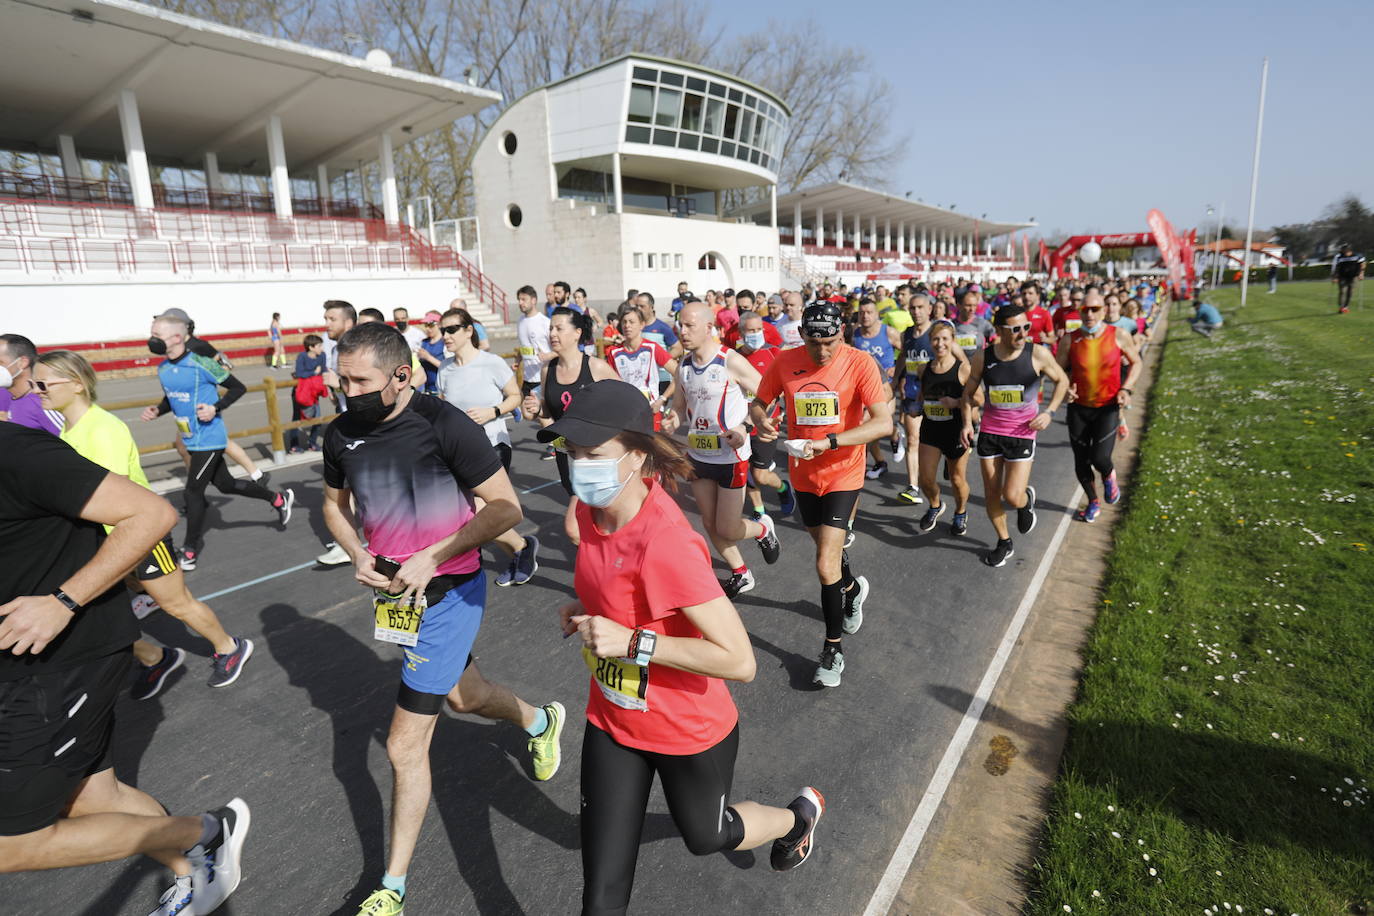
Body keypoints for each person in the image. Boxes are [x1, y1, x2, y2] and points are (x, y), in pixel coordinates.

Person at [538, 380, 825, 915]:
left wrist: (631, 641)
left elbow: (740, 662)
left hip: (686, 730)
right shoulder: (585, 514)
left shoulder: (666, 543)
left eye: (592, 455)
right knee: (600, 896)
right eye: (570, 453)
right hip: (613, 721)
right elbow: (608, 585)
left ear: (637, 455)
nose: (579, 467)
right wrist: (585, 612)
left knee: (706, 835)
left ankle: (797, 818)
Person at [321, 321, 565, 916]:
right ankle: (537, 721)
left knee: (404, 744)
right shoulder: (340, 435)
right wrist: (357, 552)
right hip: (398, 597)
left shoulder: (442, 424)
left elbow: (506, 505)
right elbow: (333, 506)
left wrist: (433, 556)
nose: (347, 390)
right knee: (464, 695)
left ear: (401, 375)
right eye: (341, 378)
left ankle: (391, 887)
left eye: (360, 380)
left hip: (450, 589)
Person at [0, 422, 249, 916]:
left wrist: (62, 601)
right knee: (93, 796)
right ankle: (191, 869)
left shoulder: (16, 451)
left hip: (59, 667)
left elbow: (150, 512)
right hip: (24, 670)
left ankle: (208, 833)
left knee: (9, 844)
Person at [36, 351, 255, 699]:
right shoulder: (70, 426)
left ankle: (230, 647)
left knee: (176, 603)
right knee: (91, 613)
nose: (37, 390)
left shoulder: (103, 429)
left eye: (43, 383)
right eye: (34, 383)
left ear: (77, 384)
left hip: (139, 536)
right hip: (108, 540)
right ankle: (155, 656)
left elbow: (115, 495)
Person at [750, 302, 892, 687]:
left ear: (841, 334)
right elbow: (758, 404)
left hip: (844, 473)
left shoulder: (859, 363)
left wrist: (831, 441)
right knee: (827, 555)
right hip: (803, 474)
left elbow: (882, 422)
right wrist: (762, 422)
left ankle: (832, 651)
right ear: (803, 337)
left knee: (824, 564)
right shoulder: (784, 361)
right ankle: (852, 589)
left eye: (829, 342)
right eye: (814, 343)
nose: (822, 351)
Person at [141, 314, 293, 570]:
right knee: (225, 484)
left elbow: (238, 387)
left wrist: (215, 407)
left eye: (157, 335)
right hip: (191, 438)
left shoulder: (201, 363)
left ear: (177, 337)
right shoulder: (163, 368)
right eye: (152, 333)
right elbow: (173, 398)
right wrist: (158, 410)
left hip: (210, 437)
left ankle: (189, 551)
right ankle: (277, 499)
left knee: (193, 492)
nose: (151, 339)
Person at [665, 303, 781, 598]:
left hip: (731, 457)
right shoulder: (684, 367)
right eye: (681, 325)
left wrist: (744, 427)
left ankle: (763, 530)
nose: (683, 331)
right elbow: (679, 407)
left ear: (708, 328)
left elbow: (765, 395)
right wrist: (671, 420)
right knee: (708, 522)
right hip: (699, 455)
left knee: (727, 527)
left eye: (690, 326)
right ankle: (741, 573)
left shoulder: (729, 361)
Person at [436, 306, 540, 588]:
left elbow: (515, 396)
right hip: (457, 450)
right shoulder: (444, 369)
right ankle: (519, 550)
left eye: (451, 329)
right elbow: (444, 408)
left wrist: (492, 411)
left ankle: (520, 548)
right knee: (469, 513)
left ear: (469, 331)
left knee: (482, 511)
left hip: (492, 444)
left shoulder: (491, 362)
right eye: (442, 330)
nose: (445, 335)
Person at [960, 304, 1070, 568]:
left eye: (1026, 327)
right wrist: (966, 423)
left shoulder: (1038, 354)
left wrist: (1050, 412)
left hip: (1023, 432)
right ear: (998, 331)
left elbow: (1062, 381)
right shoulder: (983, 358)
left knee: (1011, 495)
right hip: (990, 432)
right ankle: (1004, 541)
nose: (1023, 333)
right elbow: (968, 393)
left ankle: (1024, 501)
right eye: (1016, 329)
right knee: (991, 493)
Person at [521, 308, 619, 544]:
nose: (552, 333)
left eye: (559, 328)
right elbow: (548, 410)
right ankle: (609, 569)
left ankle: (610, 570)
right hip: (567, 458)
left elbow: (627, 403)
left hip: (598, 459)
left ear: (576, 333)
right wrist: (535, 410)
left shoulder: (595, 368)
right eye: (551, 328)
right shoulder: (548, 369)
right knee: (598, 526)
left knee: (574, 529)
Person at [1056, 292, 1142, 523]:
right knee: (1081, 460)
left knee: (1100, 457)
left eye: (1095, 309)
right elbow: (1057, 371)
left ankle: (1108, 474)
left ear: (1104, 310)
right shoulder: (1070, 339)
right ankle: (1093, 501)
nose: (1090, 314)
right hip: (1079, 408)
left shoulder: (1119, 335)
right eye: (1085, 309)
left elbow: (1137, 362)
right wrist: (1065, 387)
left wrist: (1127, 389)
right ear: (1080, 311)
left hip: (1107, 407)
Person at [734, 312, 797, 520]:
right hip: (738, 424)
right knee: (746, 470)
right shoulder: (733, 358)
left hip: (767, 424)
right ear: (742, 333)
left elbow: (781, 390)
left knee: (760, 473)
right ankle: (759, 509)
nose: (755, 334)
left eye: (758, 330)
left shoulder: (774, 354)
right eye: (750, 331)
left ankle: (782, 487)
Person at [913, 322, 972, 534]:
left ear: (952, 341)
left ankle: (961, 511)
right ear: (930, 342)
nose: (940, 344)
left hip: (956, 430)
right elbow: (923, 394)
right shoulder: (923, 369)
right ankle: (936, 505)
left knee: (957, 480)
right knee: (925, 479)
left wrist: (956, 403)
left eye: (945, 339)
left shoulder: (963, 369)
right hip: (931, 429)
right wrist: (917, 406)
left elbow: (979, 399)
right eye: (936, 339)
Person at [851, 298, 902, 479]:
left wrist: (897, 367)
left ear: (877, 314)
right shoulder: (855, 335)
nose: (865, 316)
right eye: (861, 312)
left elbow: (905, 351)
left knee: (882, 425)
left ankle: (895, 436)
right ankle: (880, 462)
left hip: (885, 386)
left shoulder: (888, 332)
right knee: (869, 429)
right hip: (863, 389)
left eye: (869, 312)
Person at [605, 302, 677, 427]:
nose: (627, 326)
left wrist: (662, 399)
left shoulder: (652, 348)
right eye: (624, 322)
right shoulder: (614, 353)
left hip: (650, 413)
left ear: (642, 325)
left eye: (632, 322)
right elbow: (609, 385)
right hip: (626, 415)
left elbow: (679, 374)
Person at [0, 333, 63, 434]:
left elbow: (75, 440)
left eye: (0, 362)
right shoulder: (15, 397)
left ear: (22, 363)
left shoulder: (42, 402)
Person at [288, 334, 327, 452]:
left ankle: (312, 443)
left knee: (318, 418)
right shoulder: (302, 357)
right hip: (300, 392)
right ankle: (294, 445)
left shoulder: (322, 356)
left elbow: (323, 370)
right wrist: (314, 372)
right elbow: (299, 373)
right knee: (297, 418)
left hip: (314, 392)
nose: (322, 348)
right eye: (319, 346)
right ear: (311, 347)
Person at [414, 310, 447, 394]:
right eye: (426, 325)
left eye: (431, 325)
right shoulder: (424, 342)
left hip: (441, 390)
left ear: (439, 324)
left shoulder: (446, 342)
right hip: (426, 390)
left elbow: (449, 367)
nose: (428, 328)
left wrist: (428, 357)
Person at [1332, 244, 1365, 314]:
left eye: (1344, 250)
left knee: (1350, 292)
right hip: (1342, 277)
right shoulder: (1340, 257)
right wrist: (1335, 277)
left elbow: (1362, 264)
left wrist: (1361, 274)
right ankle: (1341, 307)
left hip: (1353, 277)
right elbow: (1337, 268)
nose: (1343, 252)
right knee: (1342, 291)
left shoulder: (1357, 256)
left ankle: (1346, 306)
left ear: (1349, 250)